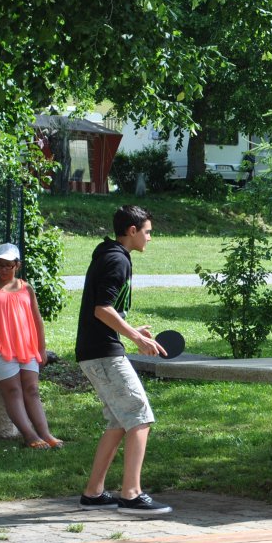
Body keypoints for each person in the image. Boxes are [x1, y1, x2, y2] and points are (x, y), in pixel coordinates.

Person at [76, 205, 172, 515]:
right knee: (140, 416)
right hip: (102, 352)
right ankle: (131, 494)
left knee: (119, 421)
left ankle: (93, 492)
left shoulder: (110, 254)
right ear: (132, 231)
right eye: (147, 232)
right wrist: (136, 337)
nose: (149, 238)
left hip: (97, 349)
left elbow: (106, 310)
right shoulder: (117, 259)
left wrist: (131, 329)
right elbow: (101, 309)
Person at [0, 242, 61, 449]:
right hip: (0, 348)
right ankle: (29, 435)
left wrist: (41, 347)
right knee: (12, 391)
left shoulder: (26, 288)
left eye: (8, 265)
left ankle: (46, 434)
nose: (3, 270)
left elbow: (37, 319)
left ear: (17, 265)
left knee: (32, 390)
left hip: (26, 347)